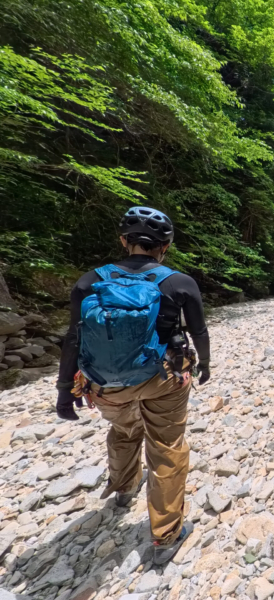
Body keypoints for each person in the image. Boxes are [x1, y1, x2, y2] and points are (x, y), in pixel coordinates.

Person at [55, 206, 211, 565]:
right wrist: (205, 364)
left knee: (125, 431)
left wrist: (65, 388)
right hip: (162, 382)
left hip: (104, 384)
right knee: (167, 447)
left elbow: (73, 339)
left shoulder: (89, 281)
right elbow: (199, 331)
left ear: (123, 241)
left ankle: (123, 489)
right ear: (165, 246)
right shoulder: (179, 282)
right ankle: (166, 537)